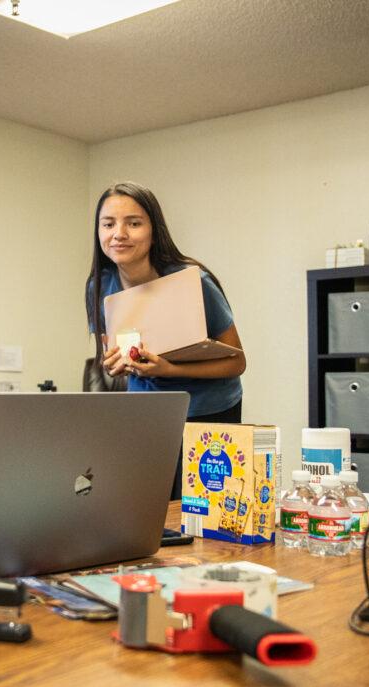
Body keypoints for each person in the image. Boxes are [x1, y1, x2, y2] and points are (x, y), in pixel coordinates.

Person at [85, 182, 246, 497]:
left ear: (153, 231)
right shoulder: (99, 287)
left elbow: (237, 361)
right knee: (149, 507)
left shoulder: (195, 282)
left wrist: (170, 370)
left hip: (208, 411)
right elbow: (110, 353)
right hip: (147, 410)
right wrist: (115, 364)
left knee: (203, 509)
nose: (119, 233)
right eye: (108, 224)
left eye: (133, 223)